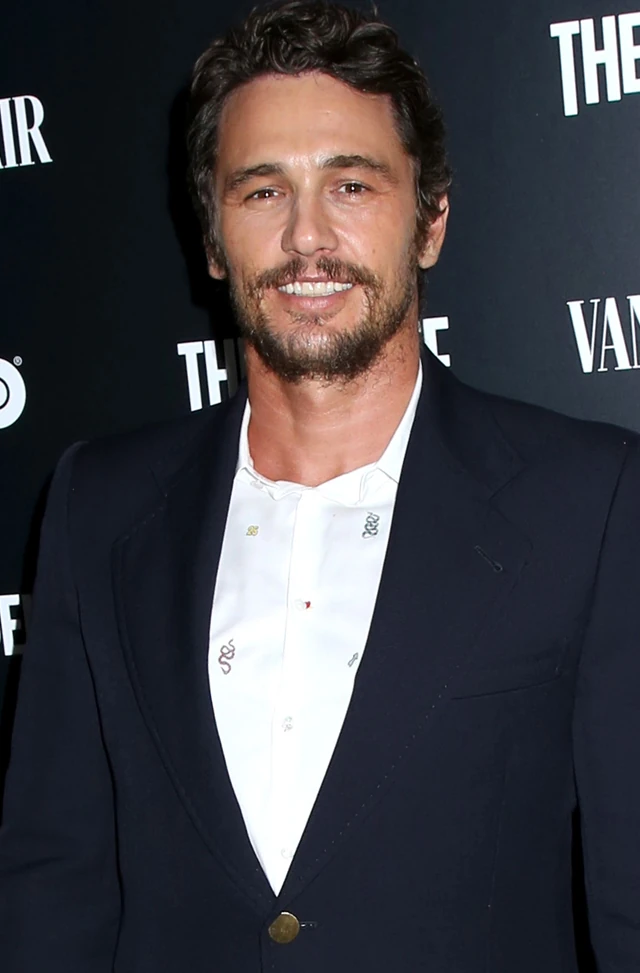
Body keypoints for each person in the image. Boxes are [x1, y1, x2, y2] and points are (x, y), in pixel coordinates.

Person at [1, 1, 639, 970]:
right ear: (213, 239)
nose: (307, 237)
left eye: (351, 184)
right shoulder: (99, 503)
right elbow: (53, 880)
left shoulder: (587, 501)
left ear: (429, 222)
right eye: (263, 190)